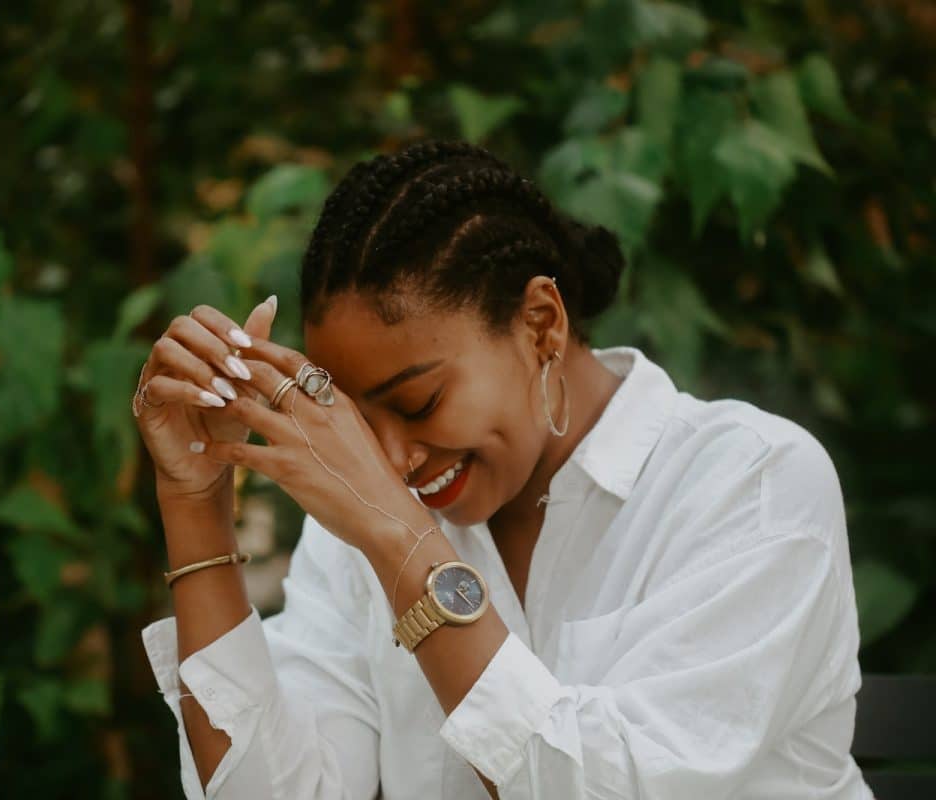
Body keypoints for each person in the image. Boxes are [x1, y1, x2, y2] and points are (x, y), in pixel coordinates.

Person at [134, 140, 871, 799]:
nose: (389, 460)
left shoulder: (750, 484)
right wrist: (195, 501)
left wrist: (403, 546)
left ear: (541, 323)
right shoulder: (367, 516)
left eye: (420, 401)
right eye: (357, 422)